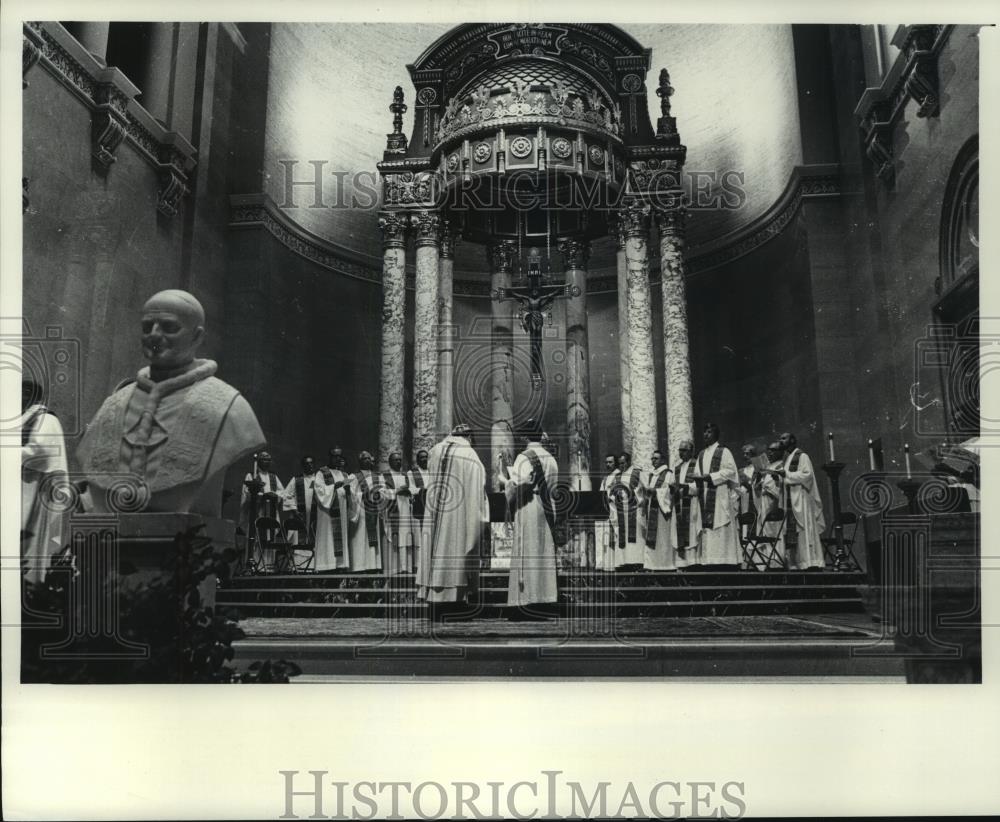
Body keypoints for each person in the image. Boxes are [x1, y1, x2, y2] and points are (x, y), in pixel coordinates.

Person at [77, 289, 265, 516]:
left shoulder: (229, 407)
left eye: (169, 327)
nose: (154, 335)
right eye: (147, 327)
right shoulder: (113, 405)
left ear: (197, 337)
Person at [417, 423, 488, 608]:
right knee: (455, 551)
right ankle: (454, 601)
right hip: (458, 516)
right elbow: (478, 488)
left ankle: (433, 597)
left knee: (434, 545)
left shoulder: (435, 450)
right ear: (469, 437)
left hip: (436, 511)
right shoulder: (469, 454)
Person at [502, 418, 559, 612]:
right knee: (543, 552)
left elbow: (518, 485)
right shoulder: (551, 458)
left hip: (528, 506)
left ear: (526, 436)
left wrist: (506, 482)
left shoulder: (525, 457)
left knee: (527, 551)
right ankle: (545, 598)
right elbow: (553, 488)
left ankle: (526, 600)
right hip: (546, 507)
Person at [21, 377, 68, 583]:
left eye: (22, 395)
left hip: (39, 490)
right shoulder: (27, 418)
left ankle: (32, 585)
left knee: (32, 541)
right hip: (25, 487)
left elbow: (39, 451)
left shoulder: (46, 419)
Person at [769, 432, 826, 570]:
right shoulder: (788, 459)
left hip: (801, 499)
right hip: (791, 501)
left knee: (804, 529)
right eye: (780, 438)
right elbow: (787, 479)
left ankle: (810, 562)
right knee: (794, 532)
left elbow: (807, 476)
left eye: (784, 438)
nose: (781, 441)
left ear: (793, 440)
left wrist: (786, 475)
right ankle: (798, 563)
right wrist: (779, 479)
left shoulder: (802, 456)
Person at [687, 423, 741, 567]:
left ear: (716, 434)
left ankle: (725, 563)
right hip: (705, 498)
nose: (705, 434)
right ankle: (710, 562)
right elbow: (698, 478)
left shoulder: (724, 452)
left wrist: (710, 477)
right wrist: (686, 488)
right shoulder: (701, 454)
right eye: (704, 432)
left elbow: (731, 472)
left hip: (719, 497)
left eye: (709, 432)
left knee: (721, 527)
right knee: (708, 532)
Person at [239, 450, 285, 569]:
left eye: (269, 459)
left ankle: (268, 567)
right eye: (264, 459)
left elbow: (282, 492)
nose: (267, 462)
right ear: (258, 461)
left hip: (271, 513)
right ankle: (254, 566)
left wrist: (276, 496)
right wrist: (262, 496)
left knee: (270, 538)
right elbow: (247, 494)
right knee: (256, 539)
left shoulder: (274, 477)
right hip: (257, 512)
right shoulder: (251, 475)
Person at [312, 448, 353, 572]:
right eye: (335, 456)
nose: (338, 459)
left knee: (341, 537)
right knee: (328, 538)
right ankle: (326, 565)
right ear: (329, 457)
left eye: (340, 456)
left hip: (341, 511)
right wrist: (334, 486)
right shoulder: (321, 473)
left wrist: (348, 490)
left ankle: (340, 565)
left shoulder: (344, 474)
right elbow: (318, 490)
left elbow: (350, 494)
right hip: (327, 513)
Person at [346, 451, 383, 573]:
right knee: (360, 538)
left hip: (373, 512)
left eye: (369, 458)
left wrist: (379, 494)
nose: (367, 461)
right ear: (360, 461)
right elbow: (349, 494)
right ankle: (359, 566)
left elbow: (385, 492)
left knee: (372, 539)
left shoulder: (378, 476)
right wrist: (363, 495)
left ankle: (373, 566)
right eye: (364, 459)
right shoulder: (353, 477)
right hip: (360, 512)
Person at [381, 452, 416, 574]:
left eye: (400, 460)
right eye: (396, 460)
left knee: (405, 538)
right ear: (390, 462)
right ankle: (394, 568)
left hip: (406, 510)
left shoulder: (405, 475)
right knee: (395, 537)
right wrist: (397, 491)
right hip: (393, 510)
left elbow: (413, 490)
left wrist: (409, 492)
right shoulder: (384, 476)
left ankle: (406, 568)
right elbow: (382, 493)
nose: (399, 462)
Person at [642, 448, 676, 570]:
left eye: (656, 458)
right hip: (652, 510)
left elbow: (670, 492)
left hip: (663, 512)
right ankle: (653, 564)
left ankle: (665, 565)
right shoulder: (652, 475)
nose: (653, 461)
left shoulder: (669, 474)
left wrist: (655, 491)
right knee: (653, 538)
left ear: (663, 460)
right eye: (652, 458)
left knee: (663, 538)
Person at [282, 456, 318, 568]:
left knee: (314, 540)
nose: (310, 466)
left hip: (315, 517)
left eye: (311, 463)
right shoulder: (296, 480)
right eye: (307, 464)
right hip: (299, 516)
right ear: (303, 466)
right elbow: (286, 495)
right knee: (298, 540)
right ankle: (298, 566)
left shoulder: (319, 479)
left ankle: (313, 566)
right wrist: (294, 509)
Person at [670, 439, 701, 567]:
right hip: (678, 505)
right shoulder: (677, 468)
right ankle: (681, 565)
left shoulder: (697, 465)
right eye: (680, 450)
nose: (681, 453)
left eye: (684, 450)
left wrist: (684, 487)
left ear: (691, 451)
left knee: (692, 533)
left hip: (691, 503)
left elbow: (699, 486)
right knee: (679, 533)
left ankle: (693, 564)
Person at [611, 452, 644, 568]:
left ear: (629, 462)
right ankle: (623, 561)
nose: (621, 466)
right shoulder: (617, 476)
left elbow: (643, 489)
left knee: (636, 535)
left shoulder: (637, 473)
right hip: (621, 510)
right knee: (622, 534)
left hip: (634, 509)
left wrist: (634, 494)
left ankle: (637, 561)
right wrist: (614, 495)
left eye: (623, 463)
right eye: (619, 463)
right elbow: (612, 492)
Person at [756, 441, 786, 567]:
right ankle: (767, 561)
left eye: (773, 450)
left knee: (774, 532)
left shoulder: (782, 466)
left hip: (774, 503)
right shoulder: (769, 466)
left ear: (781, 452)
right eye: (769, 449)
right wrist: (758, 482)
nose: (770, 452)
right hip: (764, 503)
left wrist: (767, 485)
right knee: (766, 532)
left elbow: (780, 489)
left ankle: (776, 563)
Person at [595, 454, 619, 572]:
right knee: (606, 536)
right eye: (606, 462)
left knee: (614, 536)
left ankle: (616, 563)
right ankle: (606, 564)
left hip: (615, 510)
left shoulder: (618, 476)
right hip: (606, 510)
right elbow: (601, 493)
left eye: (610, 462)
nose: (608, 464)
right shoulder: (605, 478)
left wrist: (611, 499)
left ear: (615, 463)